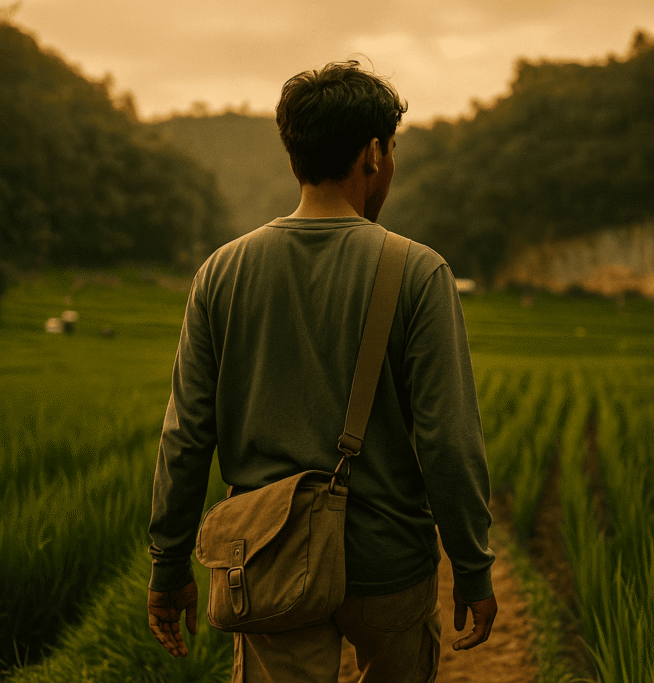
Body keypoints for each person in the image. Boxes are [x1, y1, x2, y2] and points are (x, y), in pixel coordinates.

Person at [147, 59, 497, 683]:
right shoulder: (419, 272)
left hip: (267, 561)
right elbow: (448, 440)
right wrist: (471, 566)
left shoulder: (221, 273)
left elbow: (186, 437)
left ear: (295, 157)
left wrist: (169, 564)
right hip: (389, 565)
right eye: (391, 150)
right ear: (373, 154)